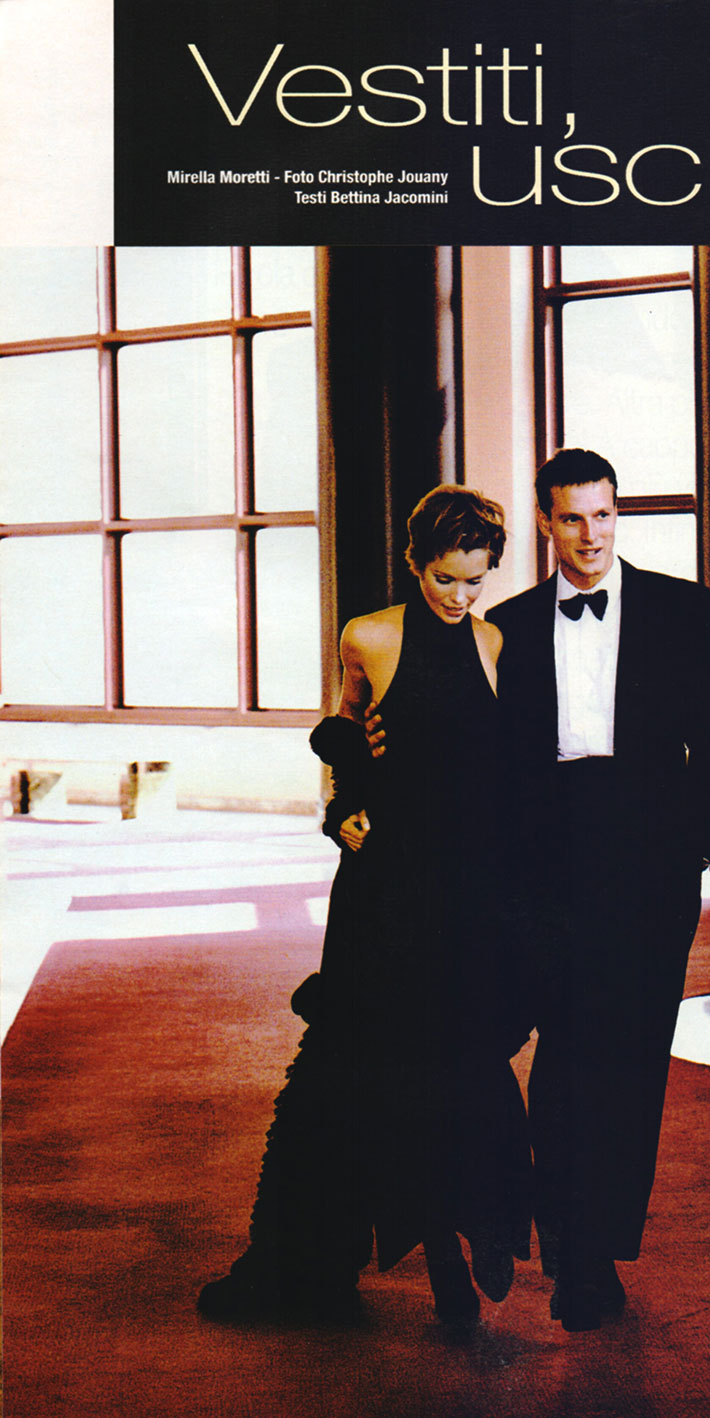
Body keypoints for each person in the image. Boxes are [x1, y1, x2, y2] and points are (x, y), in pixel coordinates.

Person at [371, 451, 710, 1331]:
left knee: (628, 1064)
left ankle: (590, 1254)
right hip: (543, 862)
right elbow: (457, 738)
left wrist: (695, 844)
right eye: (572, 518)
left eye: (603, 515)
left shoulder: (683, 608)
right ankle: (555, 1232)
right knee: (561, 1053)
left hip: (649, 864)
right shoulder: (507, 628)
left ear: (618, 514)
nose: (590, 535)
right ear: (545, 523)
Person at [198, 486, 532, 1328]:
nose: (460, 597)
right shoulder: (370, 636)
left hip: (468, 888)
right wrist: (340, 807)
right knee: (363, 1071)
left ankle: (472, 1237)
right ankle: (384, 1260)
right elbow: (346, 734)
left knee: (459, 1065)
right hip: (385, 890)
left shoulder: (494, 643)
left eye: (476, 581)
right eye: (446, 578)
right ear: (416, 563)